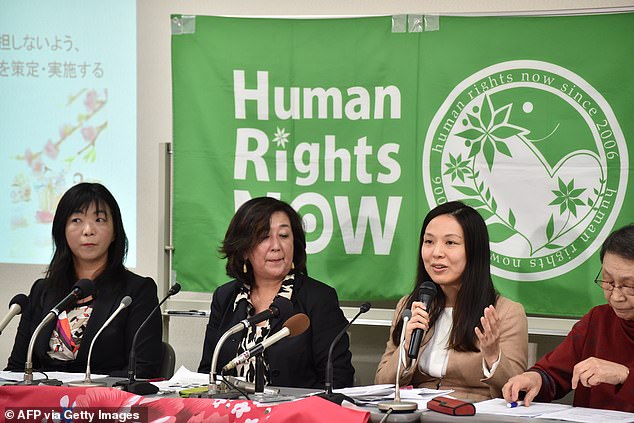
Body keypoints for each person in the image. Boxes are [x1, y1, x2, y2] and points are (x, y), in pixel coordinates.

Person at [375, 201, 528, 401]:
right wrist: (405, 347)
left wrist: (493, 356)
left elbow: (515, 392)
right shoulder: (411, 306)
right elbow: (381, 384)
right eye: (429, 241)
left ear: (474, 251)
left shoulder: (506, 312)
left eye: (450, 243)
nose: (436, 253)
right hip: (415, 412)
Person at [6, 183, 162, 378]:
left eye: (99, 219)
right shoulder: (42, 290)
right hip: (42, 405)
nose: (88, 230)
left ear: (115, 231)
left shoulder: (137, 292)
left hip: (104, 404)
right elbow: (17, 368)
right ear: (61, 230)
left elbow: (143, 371)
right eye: (77, 220)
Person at [198, 196, 354, 389]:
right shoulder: (226, 297)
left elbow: (338, 380)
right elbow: (208, 371)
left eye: (284, 235)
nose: (276, 246)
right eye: (264, 237)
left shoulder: (318, 298)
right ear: (244, 249)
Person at [503, 224, 634, 412]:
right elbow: (554, 373)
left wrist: (624, 375)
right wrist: (535, 379)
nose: (616, 297)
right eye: (609, 282)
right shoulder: (598, 320)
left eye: (629, 286)